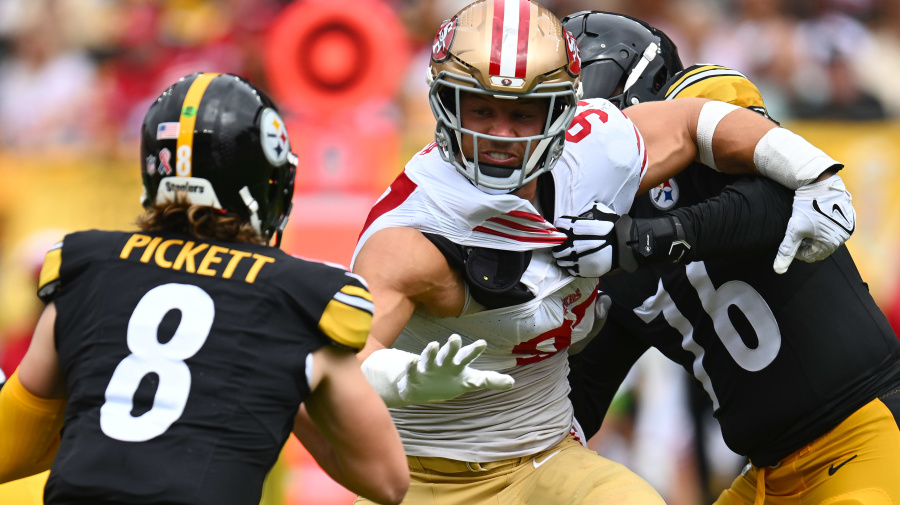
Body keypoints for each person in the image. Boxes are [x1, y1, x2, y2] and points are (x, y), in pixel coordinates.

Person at [344, 1, 855, 503]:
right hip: (421, 477)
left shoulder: (591, 149)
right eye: (480, 109)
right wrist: (403, 378)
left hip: (546, 460)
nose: (499, 135)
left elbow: (696, 122)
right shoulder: (410, 233)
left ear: (563, 111)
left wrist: (812, 171)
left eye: (523, 114)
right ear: (445, 105)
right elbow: (342, 362)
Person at [0, 72, 409, 505]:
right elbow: (386, 480)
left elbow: (11, 447)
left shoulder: (85, 266)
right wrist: (278, 384)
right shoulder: (302, 297)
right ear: (265, 182)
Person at [561, 10, 900, 505]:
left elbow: (776, 202)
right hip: (765, 474)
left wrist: (646, 239)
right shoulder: (601, 239)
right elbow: (580, 404)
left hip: (863, 436)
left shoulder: (703, 107)